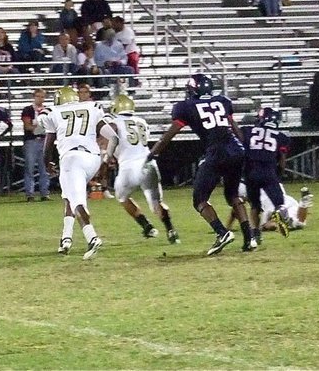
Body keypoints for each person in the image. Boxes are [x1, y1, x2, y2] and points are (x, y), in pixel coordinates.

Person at [148, 74, 256, 255]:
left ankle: (222, 233)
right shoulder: (222, 101)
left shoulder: (186, 107)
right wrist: (244, 149)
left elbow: (171, 133)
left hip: (216, 152)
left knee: (199, 199)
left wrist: (154, 151)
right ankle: (250, 238)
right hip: (236, 150)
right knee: (232, 196)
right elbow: (235, 128)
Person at [39, 86, 116, 259]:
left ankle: (92, 237)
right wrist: (107, 160)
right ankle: (66, 239)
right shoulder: (91, 107)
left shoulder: (53, 112)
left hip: (71, 158)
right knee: (70, 196)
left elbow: (48, 143)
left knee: (76, 201)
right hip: (93, 159)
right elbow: (113, 137)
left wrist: (46, 163)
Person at [102, 94, 180, 244]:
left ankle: (147, 226)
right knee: (156, 202)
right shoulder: (142, 122)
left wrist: (107, 161)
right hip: (147, 163)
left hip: (128, 167)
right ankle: (171, 230)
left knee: (122, 197)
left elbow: (112, 141)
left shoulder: (113, 123)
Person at [240, 106, 292, 242]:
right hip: (268, 172)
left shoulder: (249, 131)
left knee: (255, 206)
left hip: (250, 172)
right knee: (280, 203)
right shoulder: (281, 137)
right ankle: (279, 215)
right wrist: (279, 174)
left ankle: (255, 234)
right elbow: (282, 160)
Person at [21, 88, 51, 202]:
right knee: (30, 168)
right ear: (34, 97)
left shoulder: (48, 110)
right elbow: (27, 126)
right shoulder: (28, 110)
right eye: (38, 96)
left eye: (42, 96)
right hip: (31, 141)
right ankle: (30, 193)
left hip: (44, 140)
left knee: (44, 168)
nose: (40, 99)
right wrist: (39, 129)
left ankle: (44, 192)